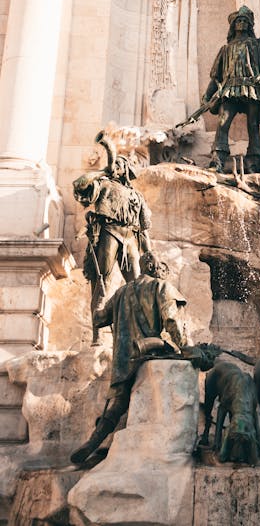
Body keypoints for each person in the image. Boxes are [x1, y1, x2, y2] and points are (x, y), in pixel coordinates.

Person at [70, 251, 188, 464]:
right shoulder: (161, 287)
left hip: (124, 362)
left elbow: (98, 319)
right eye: (161, 268)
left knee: (118, 404)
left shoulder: (121, 292)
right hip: (148, 353)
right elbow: (171, 320)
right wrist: (186, 347)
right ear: (153, 268)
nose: (163, 273)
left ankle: (93, 442)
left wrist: (99, 296)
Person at [73, 132, 152, 344]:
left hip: (130, 239)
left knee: (136, 284)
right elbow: (79, 184)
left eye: (119, 164)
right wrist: (102, 171)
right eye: (113, 164)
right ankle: (97, 334)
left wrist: (150, 252)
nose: (115, 166)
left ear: (126, 169)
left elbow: (144, 228)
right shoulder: (103, 185)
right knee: (101, 284)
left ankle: (139, 333)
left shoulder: (137, 195)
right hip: (108, 233)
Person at [202, 5, 260, 173]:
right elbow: (215, 77)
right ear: (233, 25)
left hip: (252, 89)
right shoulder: (225, 49)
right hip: (229, 90)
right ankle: (218, 159)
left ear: (250, 25)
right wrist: (207, 96)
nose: (241, 23)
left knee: (253, 125)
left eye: (245, 21)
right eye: (238, 20)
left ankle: (254, 161)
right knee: (222, 122)